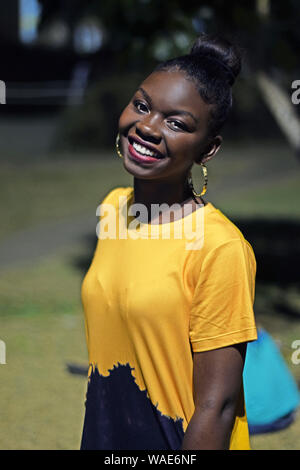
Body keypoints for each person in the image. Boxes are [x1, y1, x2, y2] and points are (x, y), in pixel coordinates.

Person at [80, 33, 257, 451]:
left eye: (177, 123)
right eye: (142, 106)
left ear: (207, 149)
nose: (147, 127)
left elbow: (217, 405)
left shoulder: (220, 248)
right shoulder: (113, 208)